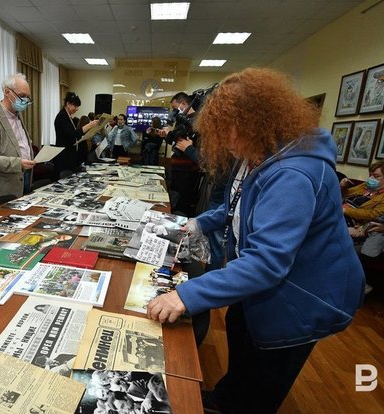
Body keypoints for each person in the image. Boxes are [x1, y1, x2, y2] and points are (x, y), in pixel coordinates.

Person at [146, 68, 365, 413]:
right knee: (240, 338)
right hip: (264, 287)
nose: (224, 141)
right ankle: (225, 399)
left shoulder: (292, 173)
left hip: (302, 297)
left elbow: (266, 262)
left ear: (257, 122)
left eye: (227, 130)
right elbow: (237, 207)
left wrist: (185, 295)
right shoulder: (255, 154)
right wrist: (199, 223)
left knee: (263, 378)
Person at [0, 73, 36, 198]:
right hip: (5, 184)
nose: (25, 100)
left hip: (25, 175)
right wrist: (18, 163)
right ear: (7, 92)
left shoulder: (18, 114)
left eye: (27, 97)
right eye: (22, 95)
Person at [342, 160, 384, 234]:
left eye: (376, 176)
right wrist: (343, 187)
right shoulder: (366, 185)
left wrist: (345, 210)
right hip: (341, 212)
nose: (371, 178)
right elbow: (346, 194)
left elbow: (374, 215)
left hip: (355, 223)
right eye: (370, 175)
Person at [53, 92, 98, 177]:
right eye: (75, 106)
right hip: (64, 156)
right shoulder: (62, 116)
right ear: (68, 104)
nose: (77, 109)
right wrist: (89, 125)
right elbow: (72, 134)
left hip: (70, 155)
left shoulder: (69, 117)